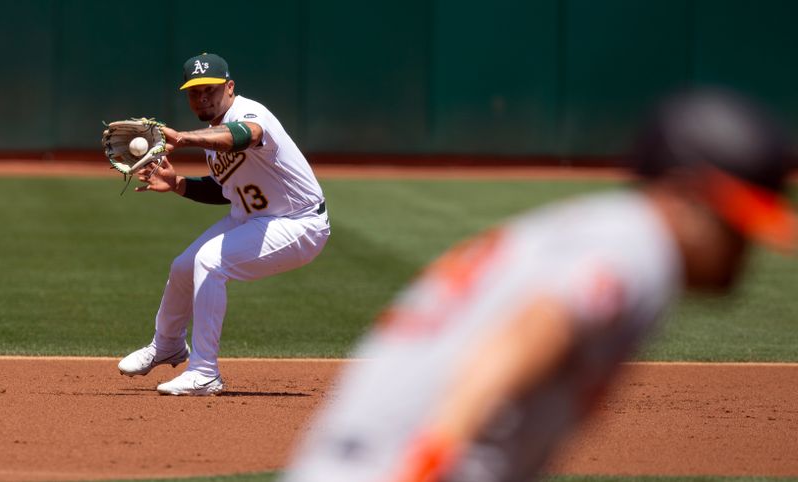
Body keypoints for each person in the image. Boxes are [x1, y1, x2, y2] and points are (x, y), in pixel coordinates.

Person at [279, 88, 795, 482]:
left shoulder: (610, 228)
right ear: (687, 197)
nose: (742, 250)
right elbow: (533, 330)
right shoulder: (637, 249)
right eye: (735, 226)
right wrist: (428, 461)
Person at [117, 53, 330, 396]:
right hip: (253, 217)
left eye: (211, 89)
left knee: (210, 262)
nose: (203, 97)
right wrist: (177, 183)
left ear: (229, 88)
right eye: (194, 91)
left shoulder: (248, 113)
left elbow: (246, 134)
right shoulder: (213, 138)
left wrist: (185, 139)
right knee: (184, 265)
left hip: (298, 223)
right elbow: (226, 189)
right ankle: (168, 344)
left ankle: (204, 372)